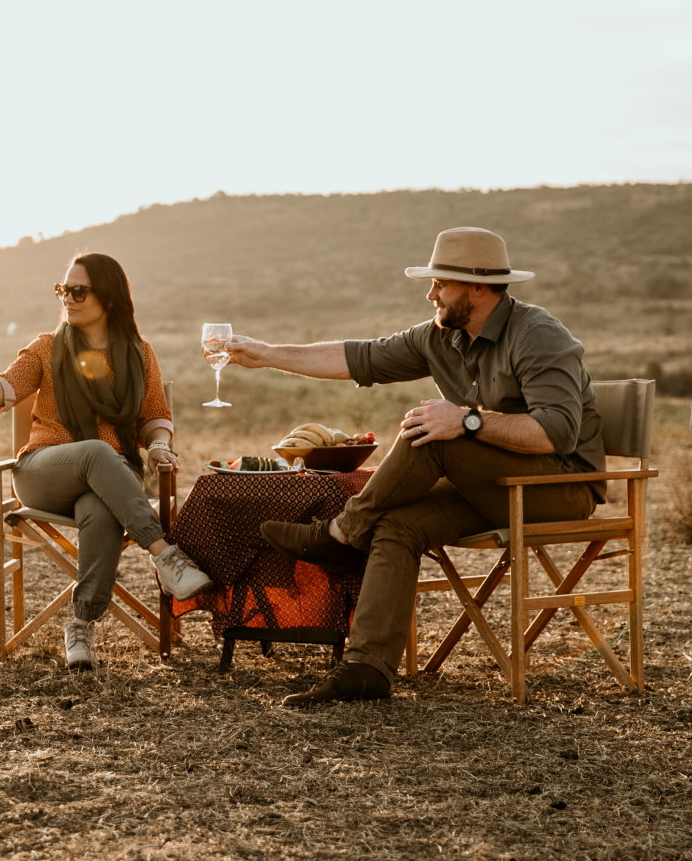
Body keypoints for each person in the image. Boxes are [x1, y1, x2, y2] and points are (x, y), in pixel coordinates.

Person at [227, 227, 604, 707]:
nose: (430, 294)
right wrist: (265, 354)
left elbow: (556, 433)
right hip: (491, 487)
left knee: (433, 431)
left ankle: (341, 534)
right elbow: (358, 357)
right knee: (399, 524)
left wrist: (466, 420)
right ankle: (366, 671)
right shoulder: (440, 337)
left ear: (478, 287)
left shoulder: (538, 334)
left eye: (440, 284)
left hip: (559, 487)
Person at [0, 252, 211, 670]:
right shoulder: (47, 348)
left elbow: (155, 416)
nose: (69, 298)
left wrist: (157, 445)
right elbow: (1, 393)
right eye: (63, 289)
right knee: (99, 451)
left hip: (105, 482)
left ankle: (80, 625)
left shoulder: (138, 353)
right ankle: (164, 553)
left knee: (101, 512)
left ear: (110, 298)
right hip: (43, 473)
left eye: (79, 290)